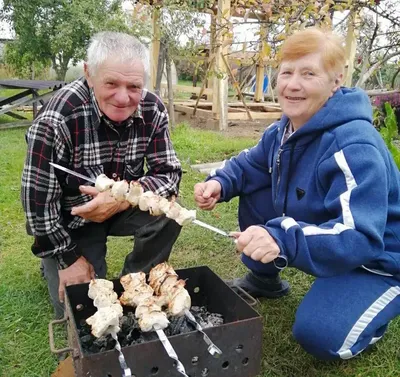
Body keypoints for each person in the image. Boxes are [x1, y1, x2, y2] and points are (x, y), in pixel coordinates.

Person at [194, 27, 400, 361]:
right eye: (286, 72)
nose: (292, 84)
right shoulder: (285, 128)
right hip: (333, 233)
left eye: (308, 73)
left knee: (320, 335)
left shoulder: (355, 145)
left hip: (375, 257)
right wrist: (220, 182)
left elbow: (362, 235)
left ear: (335, 80)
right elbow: (251, 165)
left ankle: (373, 305)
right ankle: (264, 281)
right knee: (256, 188)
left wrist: (283, 239)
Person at [21, 31, 182, 319]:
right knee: (80, 310)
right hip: (73, 218)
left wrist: (121, 199)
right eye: (111, 83)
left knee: (170, 210)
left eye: (134, 86)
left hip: (123, 207)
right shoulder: (56, 120)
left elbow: (168, 173)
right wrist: (68, 259)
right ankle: (55, 260)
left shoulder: (153, 109)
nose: (123, 98)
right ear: (89, 74)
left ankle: (137, 285)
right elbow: (37, 208)